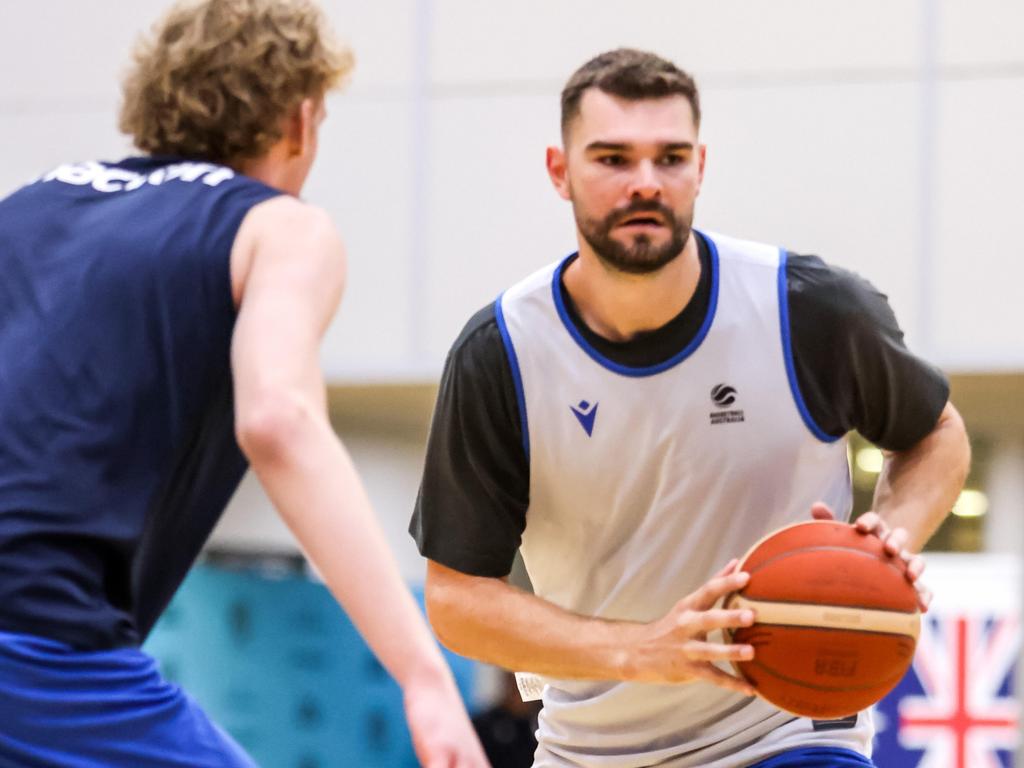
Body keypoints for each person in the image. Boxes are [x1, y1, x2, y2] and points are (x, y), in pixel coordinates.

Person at [410, 48, 971, 768]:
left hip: (788, 733)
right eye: (612, 158)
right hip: (592, 748)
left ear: (699, 167)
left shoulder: (805, 308)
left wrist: (887, 538)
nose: (645, 183)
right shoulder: (503, 352)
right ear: (559, 170)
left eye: (669, 158)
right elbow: (457, 599)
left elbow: (938, 434)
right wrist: (643, 650)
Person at [0, 1, 486, 766]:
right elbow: (278, 421)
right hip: (37, 632)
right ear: (300, 121)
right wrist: (425, 676)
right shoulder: (278, 226)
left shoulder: (28, 205)